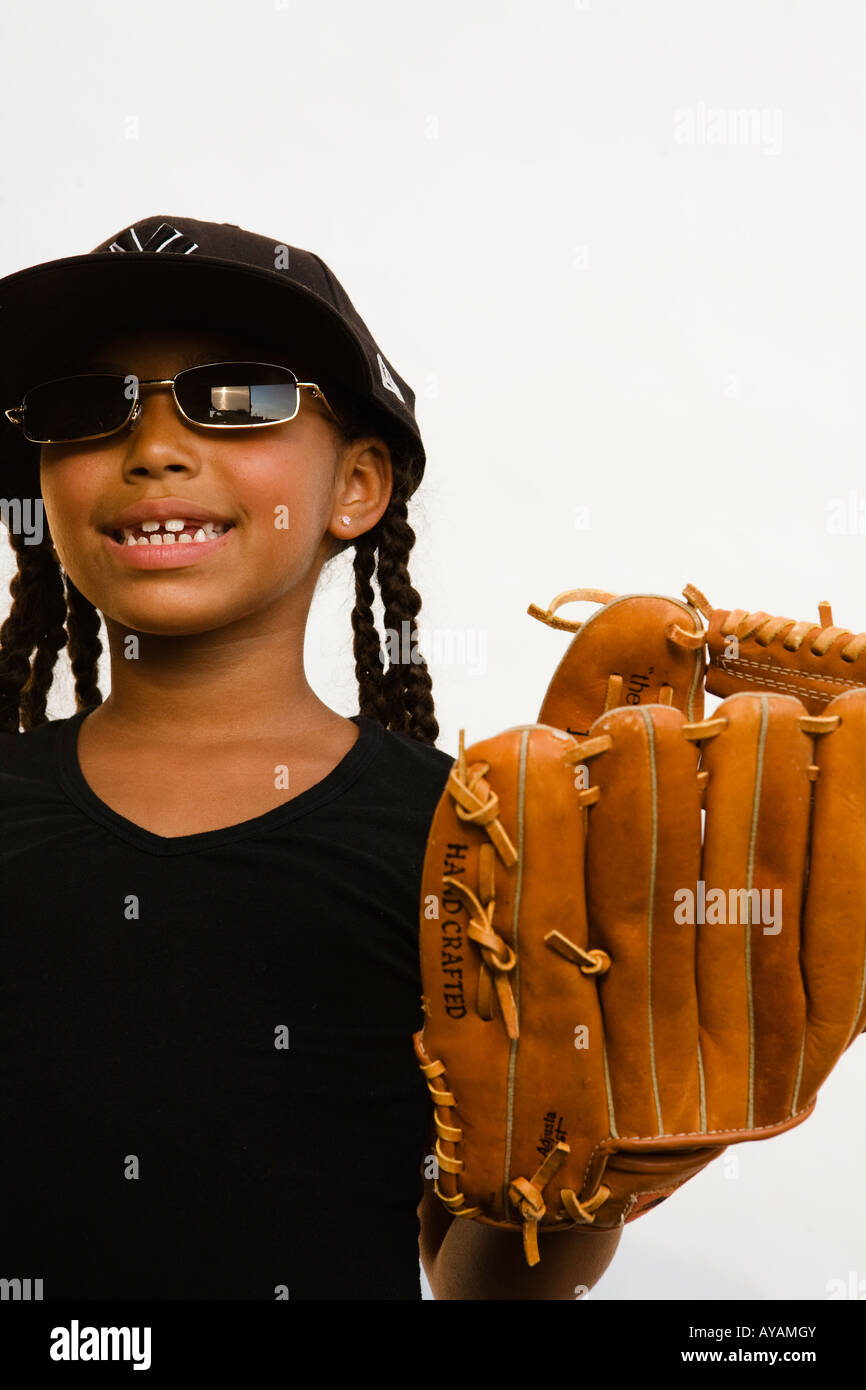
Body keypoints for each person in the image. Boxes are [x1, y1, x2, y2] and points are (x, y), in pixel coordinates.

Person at [0, 215, 621, 1300]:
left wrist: (588, 1176)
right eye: (87, 409)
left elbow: (473, 1281)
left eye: (236, 398)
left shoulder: (465, 845)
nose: (152, 447)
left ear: (357, 487)